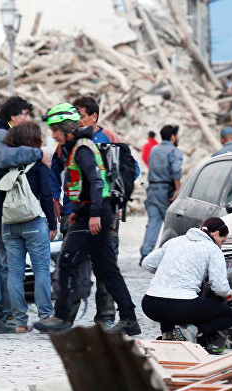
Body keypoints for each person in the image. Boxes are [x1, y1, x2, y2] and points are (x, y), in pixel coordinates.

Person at [34, 103, 140, 335]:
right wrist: (78, 212)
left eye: (56, 129)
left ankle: (61, 317)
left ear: (67, 128)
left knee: (68, 262)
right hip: (92, 214)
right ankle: (129, 319)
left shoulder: (82, 149)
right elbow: (82, 186)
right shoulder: (78, 147)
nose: (52, 135)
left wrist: (91, 214)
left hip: (96, 216)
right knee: (107, 269)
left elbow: (96, 182)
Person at [0, 96, 48, 335]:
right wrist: (37, 153)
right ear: (13, 116)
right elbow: (4, 158)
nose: (26, 119)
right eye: (24, 114)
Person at [66, 95, 141, 328]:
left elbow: (133, 169)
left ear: (93, 116)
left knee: (105, 266)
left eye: (81, 115)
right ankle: (67, 317)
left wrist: (112, 189)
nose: (77, 120)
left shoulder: (109, 138)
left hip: (105, 215)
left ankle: (106, 316)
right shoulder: (72, 140)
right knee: (75, 265)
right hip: (80, 214)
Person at [0, 122, 57, 334]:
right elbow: (47, 196)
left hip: (9, 223)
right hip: (34, 220)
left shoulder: (5, 164)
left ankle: (20, 322)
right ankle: (45, 317)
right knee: (41, 270)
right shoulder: (39, 164)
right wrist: (52, 223)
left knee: (14, 273)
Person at [141, 217, 232, 354]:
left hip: (150, 305)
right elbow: (219, 287)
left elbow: (147, 263)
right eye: (222, 241)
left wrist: (168, 271)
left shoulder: (174, 241)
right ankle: (191, 331)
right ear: (215, 234)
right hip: (181, 306)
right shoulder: (213, 249)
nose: (221, 245)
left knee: (168, 299)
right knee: (228, 316)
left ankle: (168, 334)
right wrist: (228, 293)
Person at [139, 124, 182, 263]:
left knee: (153, 222)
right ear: (173, 137)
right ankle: (171, 255)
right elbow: (176, 170)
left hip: (152, 190)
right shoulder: (174, 151)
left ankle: (145, 254)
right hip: (167, 191)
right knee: (172, 224)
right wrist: (177, 189)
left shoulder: (154, 150)